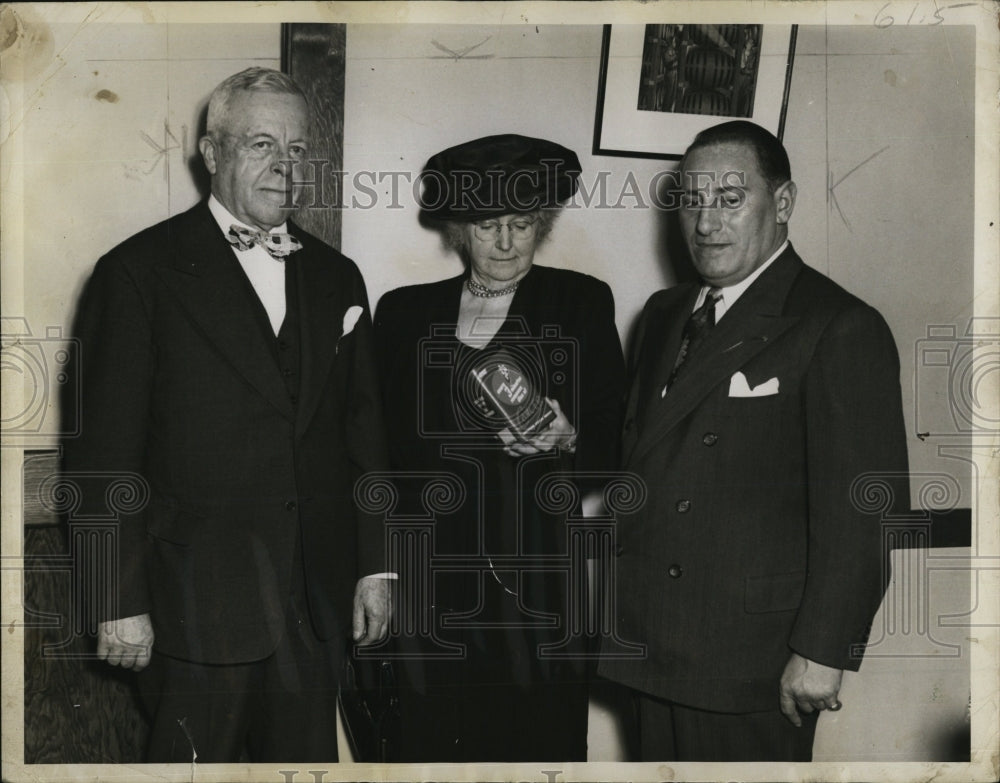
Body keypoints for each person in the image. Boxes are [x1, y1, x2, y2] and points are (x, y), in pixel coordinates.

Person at [63, 67, 391, 763]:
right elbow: (101, 455)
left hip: (314, 607)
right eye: (261, 144)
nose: (284, 166)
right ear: (212, 154)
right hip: (192, 609)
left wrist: (377, 566)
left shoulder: (340, 277)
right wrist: (114, 597)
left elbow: (365, 437)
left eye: (298, 150)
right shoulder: (136, 273)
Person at [598, 120, 909, 761]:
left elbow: (866, 510)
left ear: (784, 203)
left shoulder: (838, 324)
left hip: (752, 664)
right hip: (648, 644)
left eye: (731, 200)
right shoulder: (662, 314)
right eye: (692, 201)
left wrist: (823, 651)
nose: (706, 223)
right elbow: (652, 457)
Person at [374, 134, 625, 761]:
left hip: (534, 578)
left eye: (522, 224)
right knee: (427, 748)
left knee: (535, 743)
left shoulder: (579, 302)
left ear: (542, 223)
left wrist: (572, 438)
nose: (508, 243)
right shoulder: (403, 314)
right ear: (459, 228)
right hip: (427, 573)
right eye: (489, 226)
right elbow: (376, 448)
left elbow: (619, 434)